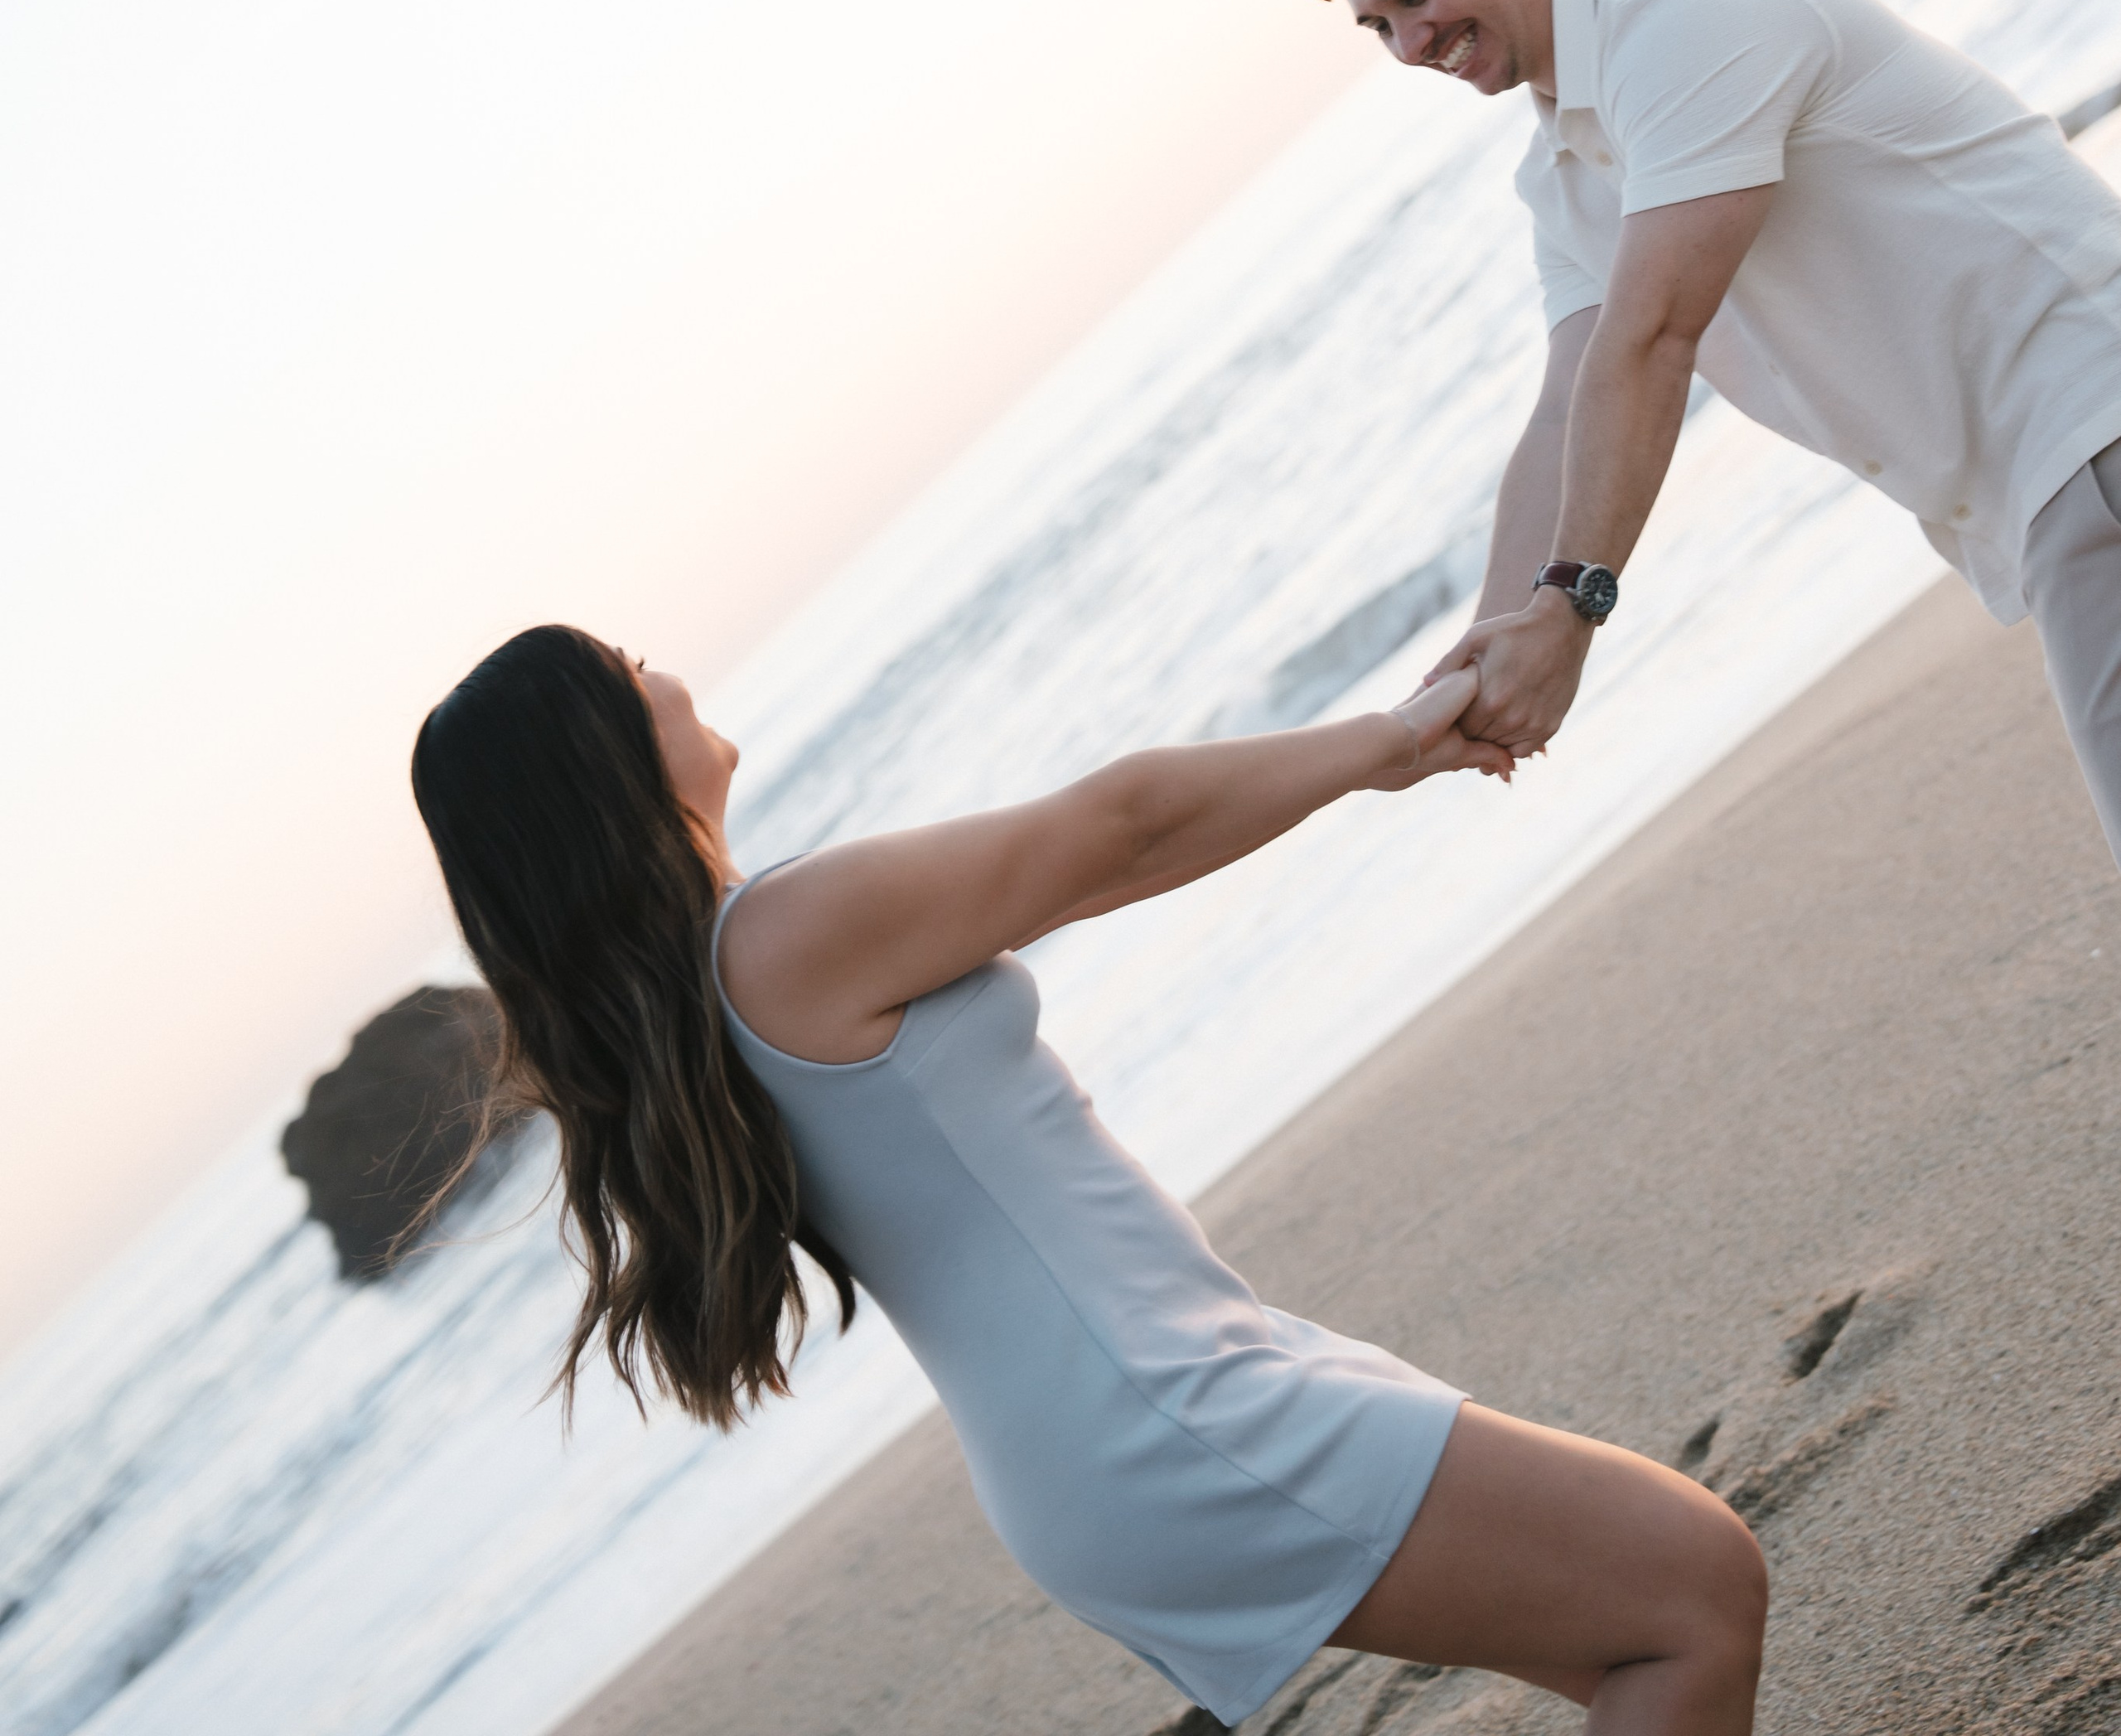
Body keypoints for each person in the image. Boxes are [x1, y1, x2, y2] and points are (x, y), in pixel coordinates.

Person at [412, 624, 1767, 1732]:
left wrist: (1382, 751)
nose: (659, 659)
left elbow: (1118, 862)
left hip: (1133, 1421)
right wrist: (1392, 739)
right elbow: (1117, 826)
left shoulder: (715, 995)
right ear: (594, 760)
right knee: (1690, 1593)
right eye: (621, 660)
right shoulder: (779, 936)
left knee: (1626, 1644)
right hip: (1162, 1411)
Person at [1289, 0, 2121, 845]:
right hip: (2046, 487)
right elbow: (1563, 416)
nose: (1411, 44)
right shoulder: (1561, 177)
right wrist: (1486, 653)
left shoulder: (1686, 23)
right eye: (1379, 25)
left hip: (2090, 421)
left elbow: (1649, 343)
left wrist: (1570, 610)